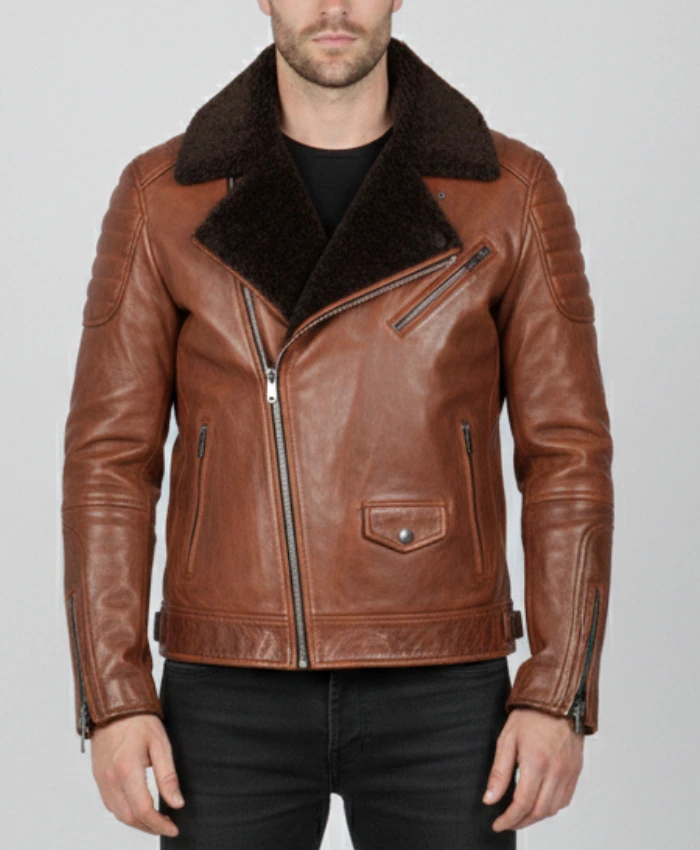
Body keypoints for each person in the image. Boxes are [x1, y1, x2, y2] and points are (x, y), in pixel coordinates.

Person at [61, 1, 614, 847]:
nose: (332, 7)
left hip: (442, 677)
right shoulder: (161, 197)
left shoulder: (510, 191)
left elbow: (567, 455)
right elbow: (110, 463)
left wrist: (557, 691)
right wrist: (114, 695)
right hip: (229, 682)